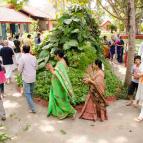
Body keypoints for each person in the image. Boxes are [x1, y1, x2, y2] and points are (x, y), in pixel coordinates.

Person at [46, 49, 76, 119]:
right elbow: (59, 72)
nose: (54, 57)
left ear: (58, 55)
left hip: (59, 84)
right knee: (62, 98)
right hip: (59, 84)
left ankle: (72, 111)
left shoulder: (60, 63)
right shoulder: (62, 61)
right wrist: (52, 68)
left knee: (59, 98)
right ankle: (63, 112)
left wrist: (50, 69)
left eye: (55, 55)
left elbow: (56, 74)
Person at [18, 45, 37, 113]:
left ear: (23, 50)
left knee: (27, 93)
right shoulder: (34, 57)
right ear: (29, 50)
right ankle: (30, 107)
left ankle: (32, 108)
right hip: (33, 77)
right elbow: (36, 67)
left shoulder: (22, 58)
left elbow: (20, 69)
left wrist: (19, 74)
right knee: (31, 92)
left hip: (26, 78)